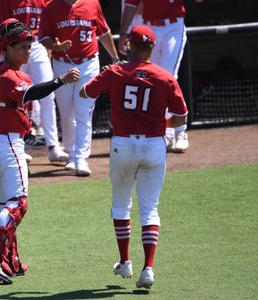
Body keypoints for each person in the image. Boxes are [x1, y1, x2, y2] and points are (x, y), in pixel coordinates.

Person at [80, 25, 188, 289]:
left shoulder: (115, 72)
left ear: (128, 45)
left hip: (123, 146)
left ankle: (125, 261)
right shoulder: (164, 77)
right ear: (152, 47)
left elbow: (86, 92)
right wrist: (160, 125)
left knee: (121, 204)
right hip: (153, 146)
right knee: (149, 208)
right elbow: (182, 117)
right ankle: (148, 268)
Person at [0, 18, 79, 284]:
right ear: (8, 48)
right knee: (18, 204)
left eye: (28, 46)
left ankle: (10, 260)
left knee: (6, 204)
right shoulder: (11, 76)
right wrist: (60, 80)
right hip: (8, 143)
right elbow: (33, 92)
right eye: (21, 47)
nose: (27, 51)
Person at [0, 0, 70, 163]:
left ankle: (53, 146)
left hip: (36, 45)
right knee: (16, 96)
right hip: (15, 47)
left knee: (48, 96)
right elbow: (3, 28)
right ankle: (19, 146)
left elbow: (49, 24)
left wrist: (49, 48)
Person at [39, 0, 119, 176]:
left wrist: (114, 57)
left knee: (84, 112)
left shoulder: (92, 3)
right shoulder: (51, 7)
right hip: (62, 65)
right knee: (66, 113)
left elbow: (104, 32)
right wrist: (55, 46)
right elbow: (43, 37)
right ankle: (71, 153)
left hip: (88, 64)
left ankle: (81, 158)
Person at [119, 0, 203, 153]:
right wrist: (124, 32)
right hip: (149, 28)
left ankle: (178, 131)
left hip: (173, 27)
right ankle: (166, 133)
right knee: (153, 81)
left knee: (169, 78)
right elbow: (131, 5)